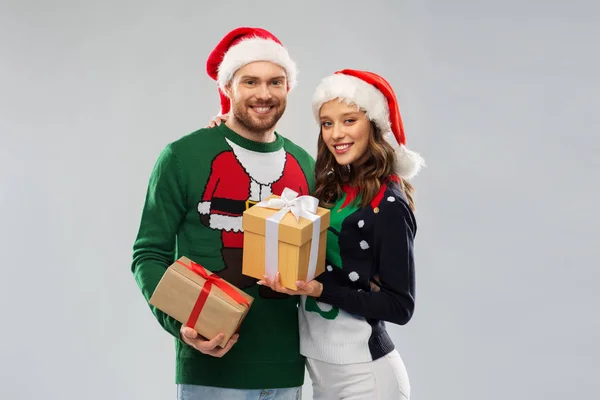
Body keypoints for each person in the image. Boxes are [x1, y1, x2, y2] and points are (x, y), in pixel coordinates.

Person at [131, 27, 315, 400]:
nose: (264, 94)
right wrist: (180, 322)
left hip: (287, 372)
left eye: (275, 82)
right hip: (211, 374)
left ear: (288, 89)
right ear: (228, 87)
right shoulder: (184, 157)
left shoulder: (305, 164)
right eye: (250, 81)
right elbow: (148, 254)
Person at [257, 69, 425, 399]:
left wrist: (321, 289)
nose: (336, 133)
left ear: (373, 125)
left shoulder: (389, 203)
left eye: (349, 120)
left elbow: (400, 306)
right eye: (327, 123)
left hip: (366, 377)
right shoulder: (329, 189)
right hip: (322, 373)